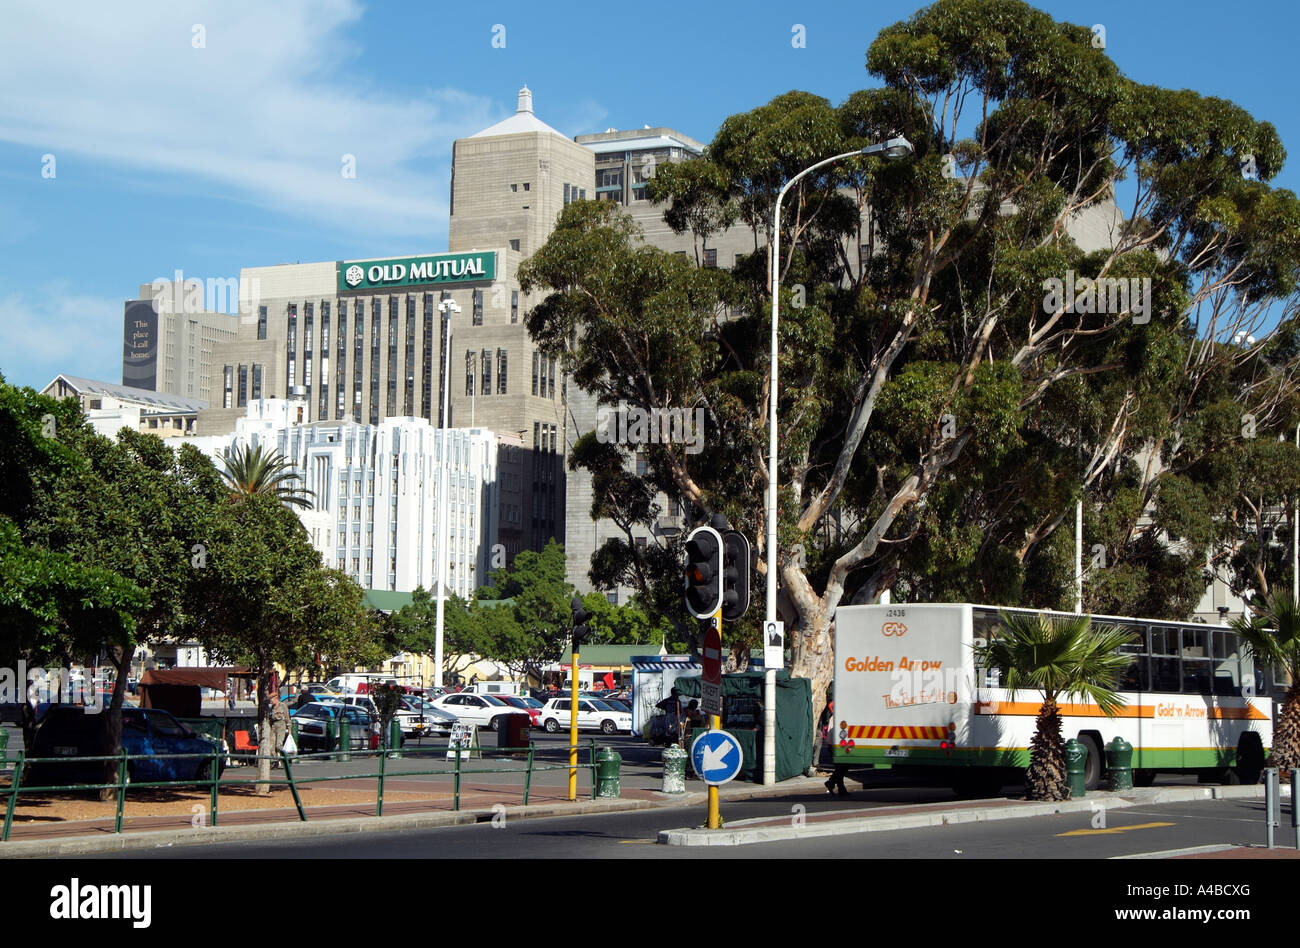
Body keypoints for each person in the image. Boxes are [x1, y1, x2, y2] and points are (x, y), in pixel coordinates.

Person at [268, 692, 290, 768]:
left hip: (281, 725)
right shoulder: (272, 707)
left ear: (275, 698)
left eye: (271, 699)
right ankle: (274, 761)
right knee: (271, 745)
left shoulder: (282, 706)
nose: (270, 701)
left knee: (278, 745)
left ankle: (285, 759)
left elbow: (287, 717)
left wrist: (289, 730)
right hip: (273, 726)